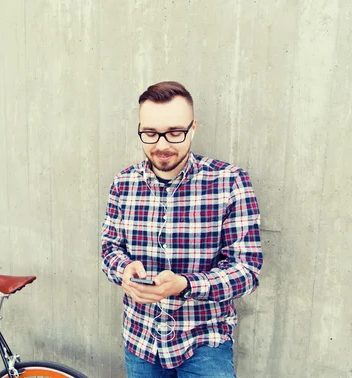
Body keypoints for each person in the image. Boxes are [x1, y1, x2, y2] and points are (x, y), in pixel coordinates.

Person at [101, 81, 263, 378]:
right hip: (140, 340)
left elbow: (247, 271)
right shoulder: (123, 184)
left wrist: (185, 285)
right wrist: (123, 270)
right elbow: (110, 250)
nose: (162, 145)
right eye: (150, 133)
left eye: (175, 132)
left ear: (193, 128)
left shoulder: (230, 182)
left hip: (204, 344)